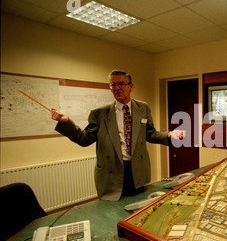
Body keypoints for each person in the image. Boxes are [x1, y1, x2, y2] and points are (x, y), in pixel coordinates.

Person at [51, 70, 185, 201]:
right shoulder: (99, 113)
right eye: (113, 85)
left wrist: (169, 134)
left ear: (130, 87)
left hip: (136, 171)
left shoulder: (142, 108)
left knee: (139, 207)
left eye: (121, 84)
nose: (117, 88)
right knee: (111, 212)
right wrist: (66, 123)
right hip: (111, 173)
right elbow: (85, 139)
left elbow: (150, 134)